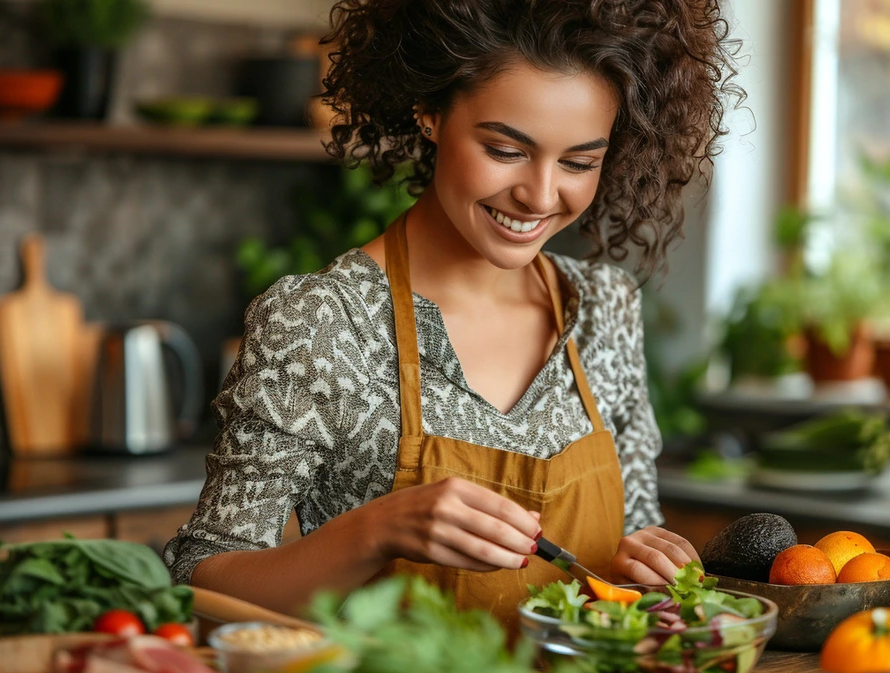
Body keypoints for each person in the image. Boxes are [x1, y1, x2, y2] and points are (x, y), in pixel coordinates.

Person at [163, 0, 740, 627]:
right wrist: (375, 531)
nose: (541, 195)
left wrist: (648, 564)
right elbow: (201, 583)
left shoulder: (604, 309)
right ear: (430, 112)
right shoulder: (322, 322)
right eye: (505, 149)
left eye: (579, 162)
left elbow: (632, 539)